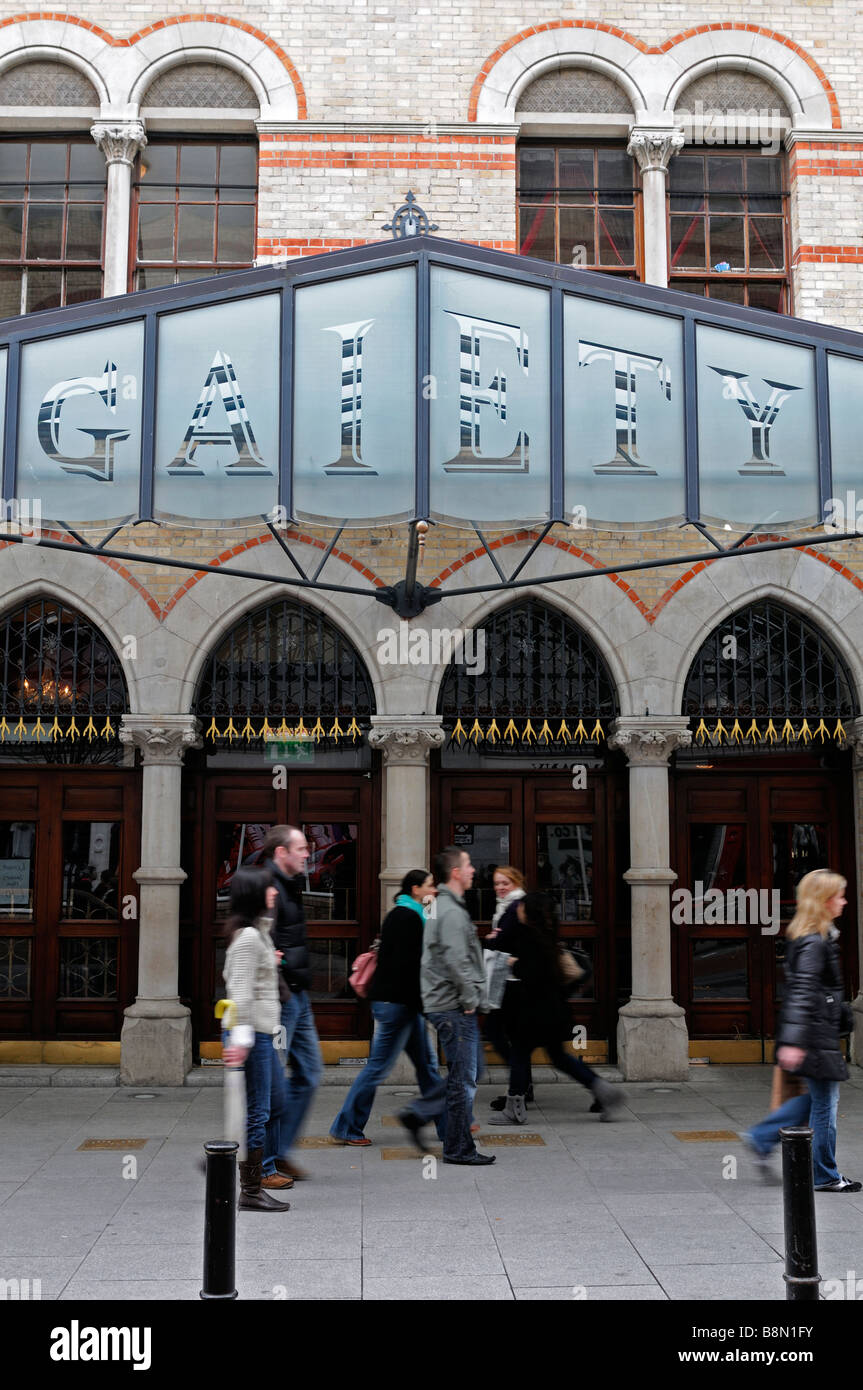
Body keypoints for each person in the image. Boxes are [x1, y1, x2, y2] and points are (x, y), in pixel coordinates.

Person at [744, 869, 860, 1191]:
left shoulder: (815, 937)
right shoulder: (814, 942)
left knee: (818, 1101)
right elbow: (803, 990)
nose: (844, 901)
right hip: (813, 1036)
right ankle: (823, 1175)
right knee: (826, 1105)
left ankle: (762, 1136)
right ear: (823, 902)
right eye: (839, 895)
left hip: (813, 1033)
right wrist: (794, 1041)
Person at [329, 870, 445, 1146]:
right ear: (416, 888)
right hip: (397, 1005)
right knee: (378, 1069)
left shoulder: (408, 913)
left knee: (428, 1068)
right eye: (431, 885)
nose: (436, 890)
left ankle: (450, 1129)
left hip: (401, 1004)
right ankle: (346, 1127)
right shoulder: (407, 918)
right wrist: (428, 1008)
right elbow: (408, 968)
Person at [397, 846, 496, 1166]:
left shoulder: (440, 906)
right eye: (468, 866)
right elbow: (455, 960)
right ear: (455, 872)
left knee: (467, 1073)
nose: (473, 871)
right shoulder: (451, 911)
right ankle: (455, 1145)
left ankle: (429, 1123)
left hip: (444, 1002)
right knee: (463, 1078)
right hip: (454, 1006)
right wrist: (470, 999)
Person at [490, 892, 623, 1124]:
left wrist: (514, 963)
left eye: (521, 906)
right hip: (551, 1010)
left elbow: (533, 973)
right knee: (558, 1057)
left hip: (532, 1011)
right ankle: (604, 1090)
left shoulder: (530, 939)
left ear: (529, 913)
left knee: (520, 1055)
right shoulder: (545, 934)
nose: (517, 909)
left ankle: (514, 1109)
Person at [222, 865, 290, 1213]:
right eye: (269, 888)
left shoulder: (257, 934)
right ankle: (250, 1188)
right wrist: (241, 1038)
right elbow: (239, 991)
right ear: (254, 894)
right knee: (259, 1111)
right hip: (252, 1036)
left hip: (261, 1034)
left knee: (274, 1103)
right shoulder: (249, 937)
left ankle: (231, 1163)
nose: (275, 892)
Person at [260, 825, 324, 1188]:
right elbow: (254, 937)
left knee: (310, 1073)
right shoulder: (266, 886)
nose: (306, 854)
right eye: (300, 848)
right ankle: (260, 1161)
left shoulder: (290, 884)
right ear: (280, 852)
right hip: (280, 999)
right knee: (273, 1083)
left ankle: (278, 1150)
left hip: (298, 995)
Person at [483, 866, 532, 1111]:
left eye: (505, 883)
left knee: (498, 1031)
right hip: (507, 979)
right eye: (497, 883)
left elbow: (499, 940)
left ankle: (519, 1087)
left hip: (512, 981)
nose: (500, 887)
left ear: (516, 882)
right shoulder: (507, 906)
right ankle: (522, 1085)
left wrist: (493, 937)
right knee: (510, 1036)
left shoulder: (515, 906)